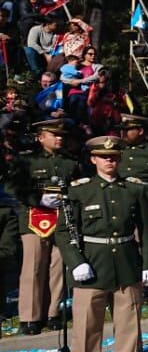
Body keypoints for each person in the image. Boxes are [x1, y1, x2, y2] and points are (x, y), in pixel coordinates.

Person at [56, 136, 148, 352]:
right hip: (92, 264)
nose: (109, 161)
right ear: (94, 159)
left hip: (126, 262)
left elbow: (147, 230)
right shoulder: (79, 190)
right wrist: (76, 262)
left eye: (113, 157)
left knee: (128, 325)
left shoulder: (133, 189)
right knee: (87, 328)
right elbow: (65, 232)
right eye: (104, 157)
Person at [8, 118, 80, 335]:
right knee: (34, 267)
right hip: (34, 218)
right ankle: (30, 316)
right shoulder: (26, 161)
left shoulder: (71, 162)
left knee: (58, 267)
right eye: (54, 135)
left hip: (63, 218)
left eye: (61, 135)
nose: (59, 138)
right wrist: (37, 198)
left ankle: (53, 312)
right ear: (41, 138)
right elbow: (13, 187)